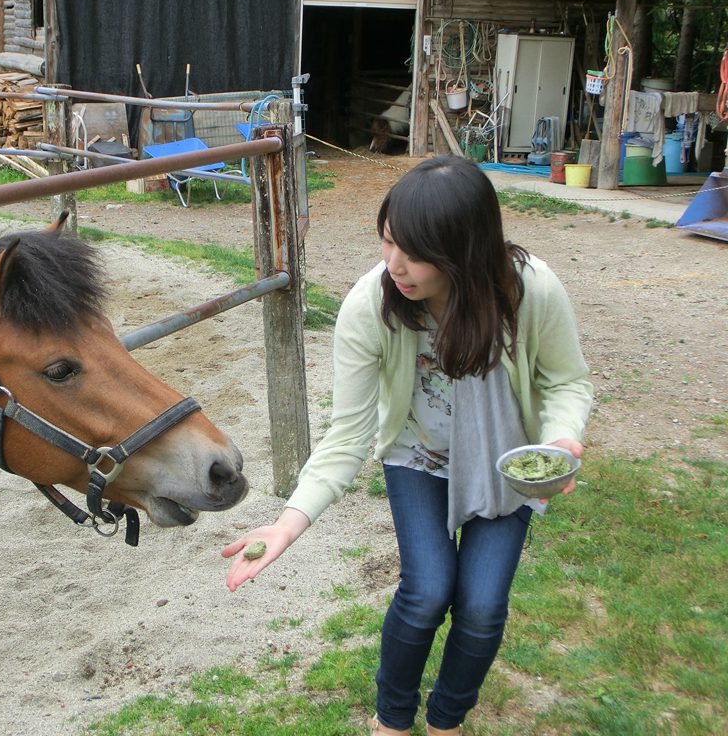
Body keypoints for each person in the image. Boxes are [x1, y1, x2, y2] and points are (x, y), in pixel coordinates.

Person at [223, 156, 593, 736]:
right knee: (426, 592)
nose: (393, 264)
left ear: (463, 252)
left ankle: (446, 722)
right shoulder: (371, 305)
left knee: (481, 607)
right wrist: (288, 523)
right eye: (389, 241)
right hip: (417, 458)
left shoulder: (530, 290)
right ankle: (391, 721)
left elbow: (566, 382)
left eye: (414, 252)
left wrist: (561, 439)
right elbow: (349, 432)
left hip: (504, 465)